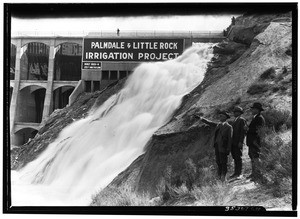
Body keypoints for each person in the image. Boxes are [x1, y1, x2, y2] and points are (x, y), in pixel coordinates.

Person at [196, 111, 233, 182]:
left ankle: (223, 177)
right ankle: (219, 176)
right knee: (218, 162)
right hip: (217, 146)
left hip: (223, 147)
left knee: (223, 162)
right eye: (220, 116)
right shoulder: (218, 125)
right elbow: (209, 122)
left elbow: (230, 139)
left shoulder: (229, 127)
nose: (220, 117)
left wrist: (228, 149)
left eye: (221, 116)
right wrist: (200, 118)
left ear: (225, 117)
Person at [246, 102, 265, 180]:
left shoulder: (259, 118)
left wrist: (248, 129)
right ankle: (254, 173)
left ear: (257, 110)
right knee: (252, 157)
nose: (252, 110)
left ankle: (257, 174)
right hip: (252, 141)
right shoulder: (256, 117)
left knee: (256, 157)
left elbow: (258, 130)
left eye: (253, 109)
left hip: (255, 141)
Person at [229, 106, 247, 179]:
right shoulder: (234, 120)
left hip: (237, 142)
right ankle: (236, 172)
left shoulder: (241, 120)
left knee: (238, 157)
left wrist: (241, 141)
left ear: (240, 113)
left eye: (236, 112)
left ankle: (239, 173)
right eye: (234, 112)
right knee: (235, 158)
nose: (235, 113)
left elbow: (243, 132)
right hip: (233, 142)